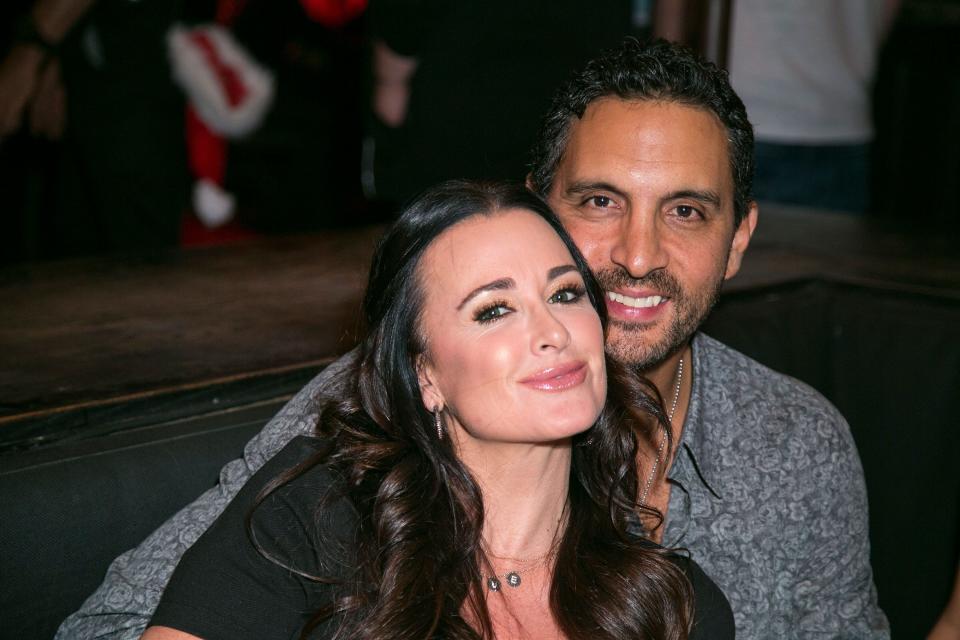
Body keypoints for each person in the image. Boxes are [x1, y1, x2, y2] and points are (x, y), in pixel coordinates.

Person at [58, 39, 888, 639]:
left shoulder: (796, 446)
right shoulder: (365, 425)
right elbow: (118, 621)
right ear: (538, 212)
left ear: (739, 238)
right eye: (599, 202)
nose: (637, 256)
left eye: (685, 211)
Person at [139, 180, 735, 639]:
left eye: (565, 293)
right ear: (426, 374)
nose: (553, 330)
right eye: (494, 310)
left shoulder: (672, 604)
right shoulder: (319, 515)